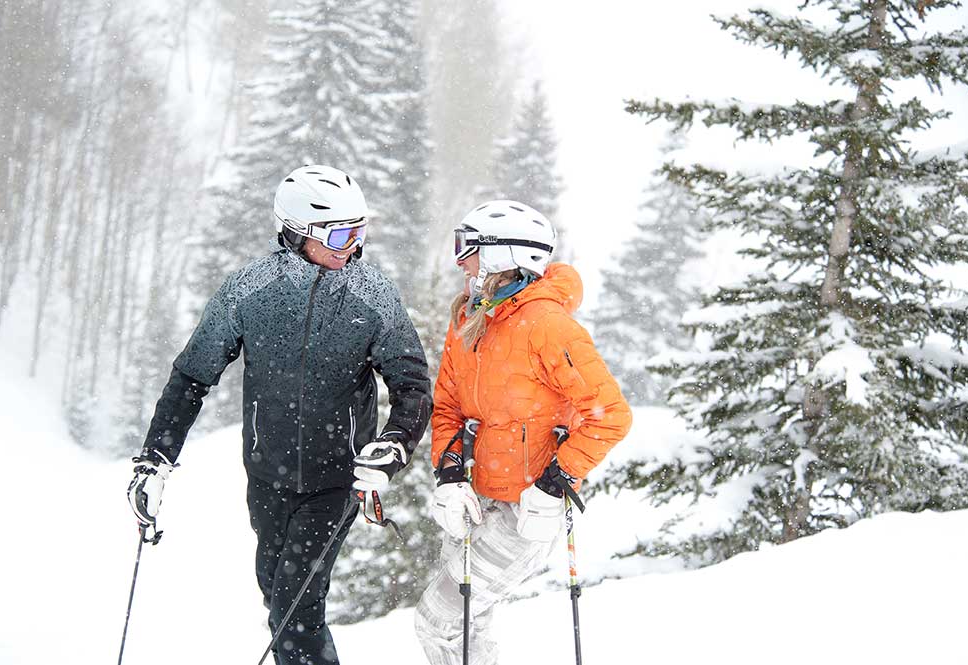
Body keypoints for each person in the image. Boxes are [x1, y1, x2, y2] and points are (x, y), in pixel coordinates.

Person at [126, 165, 432, 665]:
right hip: (266, 475)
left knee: (294, 608)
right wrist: (155, 459)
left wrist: (393, 446)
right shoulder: (248, 290)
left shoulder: (374, 298)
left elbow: (412, 386)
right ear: (298, 231)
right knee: (278, 596)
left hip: (339, 478)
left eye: (359, 231)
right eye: (340, 232)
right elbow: (191, 378)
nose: (351, 245)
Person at [414, 200, 633, 664]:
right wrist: (449, 474)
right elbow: (449, 406)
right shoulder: (469, 319)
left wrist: (556, 483)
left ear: (502, 256)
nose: (460, 260)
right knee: (472, 624)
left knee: (439, 619)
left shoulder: (549, 328)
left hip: (527, 511)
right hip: (475, 498)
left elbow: (609, 414)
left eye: (467, 248)